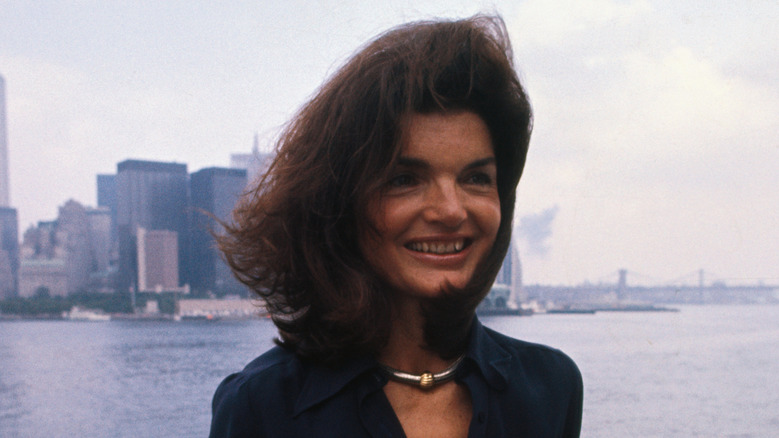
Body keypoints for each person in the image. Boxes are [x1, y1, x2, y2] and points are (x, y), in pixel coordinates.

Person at [210, 15, 582, 438]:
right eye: (404, 179)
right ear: (340, 203)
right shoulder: (263, 407)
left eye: (475, 178)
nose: (450, 211)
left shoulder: (550, 387)